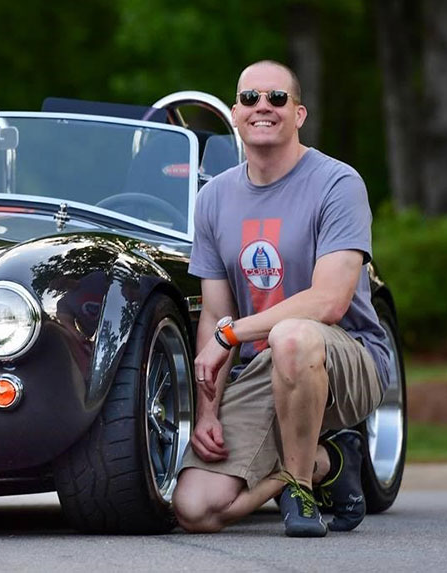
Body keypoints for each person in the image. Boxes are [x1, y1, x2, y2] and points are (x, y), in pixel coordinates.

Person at [171, 60, 392, 537]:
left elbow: (329, 303)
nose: (262, 108)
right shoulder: (213, 199)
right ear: (235, 113)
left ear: (299, 114)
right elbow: (214, 312)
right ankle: (325, 461)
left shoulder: (338, 183)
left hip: (345, 358)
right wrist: (207, 410)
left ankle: (300, 492)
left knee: (292, 335)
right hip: (260, 369)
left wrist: (232, 333)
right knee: (196, 509)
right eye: (250, 99)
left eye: (277, 99)